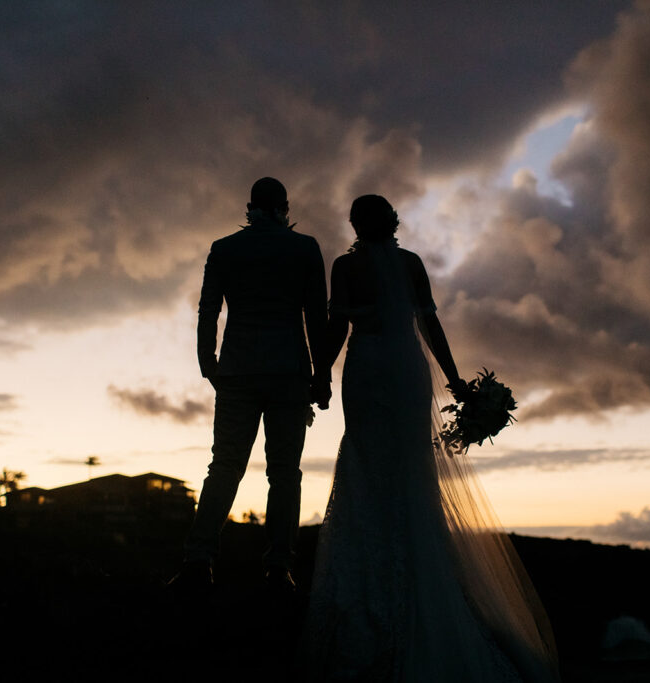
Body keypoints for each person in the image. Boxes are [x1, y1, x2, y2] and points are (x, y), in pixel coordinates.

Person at [301, 195, 558, 681]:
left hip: (368, 368)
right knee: (413, 472)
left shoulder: (345, 266)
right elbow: (429, 324)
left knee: (366, 463)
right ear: (393, 223)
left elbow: (338, 326)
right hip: (404, 368)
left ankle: (370, 592)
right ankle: (421, 581)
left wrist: (320, 374)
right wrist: (455, 379)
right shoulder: (410, 263)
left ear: (356, 225)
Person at [171, 177, 331, 592]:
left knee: (223, 467)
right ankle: (279, 567)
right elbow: (316, 317)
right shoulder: (305, 248)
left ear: (249, 207)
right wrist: (323, 375)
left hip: (237, 372)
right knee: (284, 474)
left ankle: (198, 559)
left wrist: (209, 362)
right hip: (289, 373)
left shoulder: (225, 249)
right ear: (285, 208)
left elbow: (208, 309)